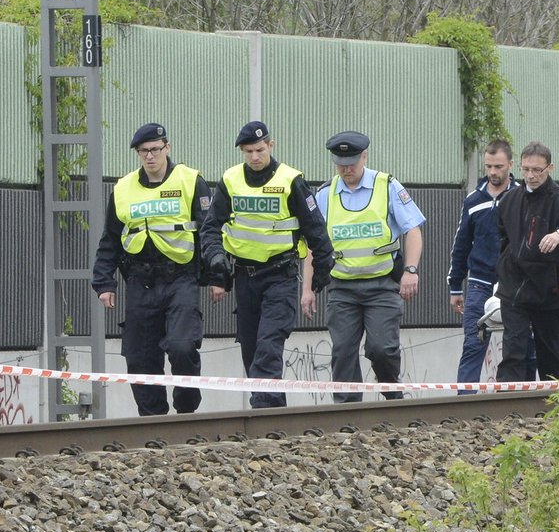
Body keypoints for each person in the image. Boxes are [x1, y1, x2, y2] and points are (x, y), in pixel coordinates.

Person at [200, 121, 334, 409]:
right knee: (251, 352)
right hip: (245, 278)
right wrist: (216, 260)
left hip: (280, 276)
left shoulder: (290, 180)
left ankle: (263, 415)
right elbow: (210, 228)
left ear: (271, 146)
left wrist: (323, 267)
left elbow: (316, 228)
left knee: (268, 346)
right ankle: (274, 413)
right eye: (248, 151)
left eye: (260, 150)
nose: (255, 157)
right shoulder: (231, 180)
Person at [91, 123, 213, 416]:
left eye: (155, 149)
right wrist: (104, 282)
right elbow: (110, 238)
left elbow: (208, 233)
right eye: (143, 151)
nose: (149, 156)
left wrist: (216, 277)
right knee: (139, 356)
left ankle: (185, 409)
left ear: (167, 148)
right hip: (139, 280)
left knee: (182, 347)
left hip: (180, 278)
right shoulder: (123, 189)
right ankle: (153, 421)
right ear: (137, 153)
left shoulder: (190, 181)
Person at [301, 131, 425, 402]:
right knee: (342, 351)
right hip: (342, 289)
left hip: (381, 286)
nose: (346, 169)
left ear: (365, 157)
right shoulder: (324, 194)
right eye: (341, 163)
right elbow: (313, 245)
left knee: (381, 349)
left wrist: (411, 270)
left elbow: (412, 229)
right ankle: (347, 413)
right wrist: (307, 288)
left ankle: (392, 396)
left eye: (352, 163)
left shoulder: (387, 185)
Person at [495, 141, 559, 381]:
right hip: (514, 286)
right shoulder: (509, 200)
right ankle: (507, 403)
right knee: (513, 349)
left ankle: (556, 405)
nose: (531, 175)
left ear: (550, 168)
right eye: (526, 169)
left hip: (550, 290)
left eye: (537, 170)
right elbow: (503, 237)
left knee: (551, 354)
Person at [446, 139, 534, 388]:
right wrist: (455, 286)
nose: (493, 172)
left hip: (516, 283)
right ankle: (465, 404)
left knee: (524, 343)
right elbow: (461, 243)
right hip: (480, 282)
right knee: (473, 344)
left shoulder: (523, 196)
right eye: (488, 167)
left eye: (498, 166)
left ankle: (526, 399)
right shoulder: (473, 200)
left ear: (510, 164)